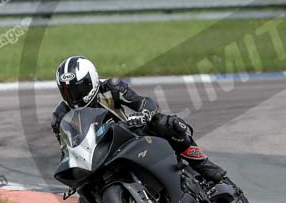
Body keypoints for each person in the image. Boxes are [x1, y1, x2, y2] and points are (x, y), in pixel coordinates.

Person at [51, 55, 227, 185]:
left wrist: (142, 115)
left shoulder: (111, 88)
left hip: (129, 135)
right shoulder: (61, 115)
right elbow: (65, 148)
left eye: (78, 89)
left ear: (91, 80)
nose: (74, 96)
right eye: (67, 91)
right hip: (97, 153)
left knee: (165, 124)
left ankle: (203, 164)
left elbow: (144, 102)